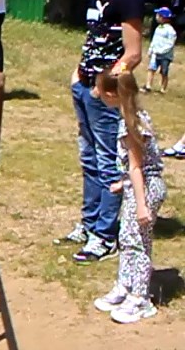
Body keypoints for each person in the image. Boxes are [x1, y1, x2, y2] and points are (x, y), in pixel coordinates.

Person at [57, 0, 145, 264]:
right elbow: (96, 39)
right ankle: (89, 222)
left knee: (109, 162)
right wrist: (79, 75)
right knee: (89, 158)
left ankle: (105, 236)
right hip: (83, 85)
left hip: (104, 94)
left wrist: (103, 85)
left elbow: (133, 54)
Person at [91, 70, 166, 323]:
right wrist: (123, 183)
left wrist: (142, 205)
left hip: (145, 189)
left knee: (138, 242)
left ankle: (141, 298)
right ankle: (124, 285)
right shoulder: (132, 116)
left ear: (112, 95)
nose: (96, 93)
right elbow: (137, 165)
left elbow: (138, 167)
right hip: (136, 186)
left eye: (100, 90)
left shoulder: (130, 124)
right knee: (126, 237)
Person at [143, 7, 176, 94]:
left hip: (165, 55)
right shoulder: (158, 28)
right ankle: (148, 86)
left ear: (163, 17)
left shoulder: (170, 30)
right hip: (155, 53)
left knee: (164, 72)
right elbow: (154, 40)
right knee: (151, 69)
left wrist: (162, 51)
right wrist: (151, 49)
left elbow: (170, 43)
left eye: (158, 15)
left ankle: (163, 88)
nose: (156, 17)